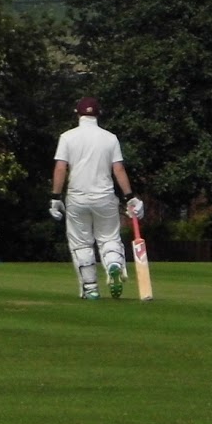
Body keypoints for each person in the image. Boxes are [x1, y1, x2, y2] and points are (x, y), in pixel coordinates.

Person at [50, 97, 142, 300]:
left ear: (77, 114)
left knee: (81, 243)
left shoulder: (67, 137)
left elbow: (60, 167)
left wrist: (55, 197)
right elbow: (118, 169)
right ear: (98, 114)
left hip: (77, 197)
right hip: (104, 196)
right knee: (109, 238)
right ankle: (114, 264)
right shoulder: (110, 138)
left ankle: (90, 288)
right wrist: (130, 197)